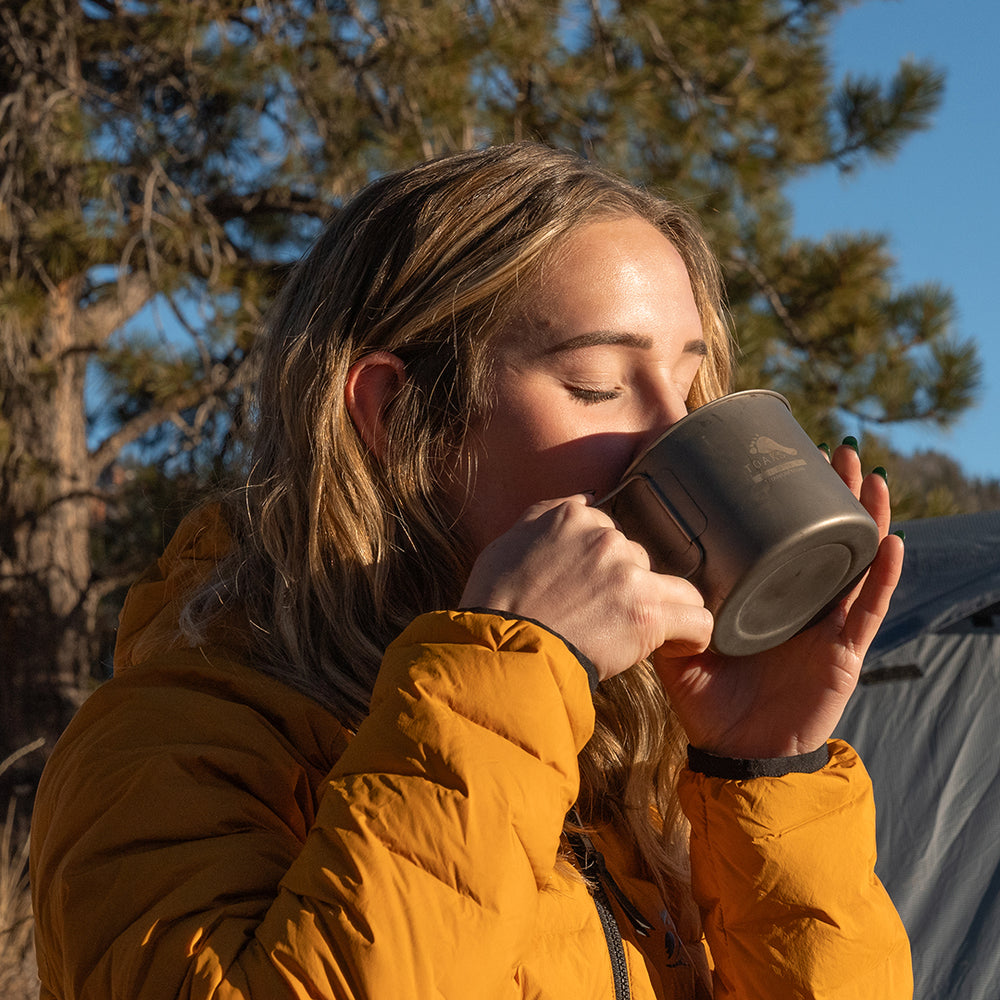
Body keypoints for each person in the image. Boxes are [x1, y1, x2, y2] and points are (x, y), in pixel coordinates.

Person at [30, 143, 911, 999]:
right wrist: (503, 675)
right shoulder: (169, 747)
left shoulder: (624, 760)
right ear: (396, 413)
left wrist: (758, 775)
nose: (671, 431)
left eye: (690, 383)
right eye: (599, 384)